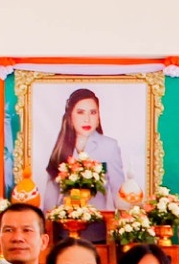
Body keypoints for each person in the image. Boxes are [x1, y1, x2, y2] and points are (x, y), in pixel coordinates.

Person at [43, 86, 127, 231]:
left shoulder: (109, 146)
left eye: (93, 112)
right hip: (64, 229)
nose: (87, 119)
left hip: (97, 228)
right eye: (80, 112)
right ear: (70, 115)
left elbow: (118, 191)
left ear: (98, 116)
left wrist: (124, 224)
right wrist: (48, 229)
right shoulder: (61, 146)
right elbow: (51, 197)